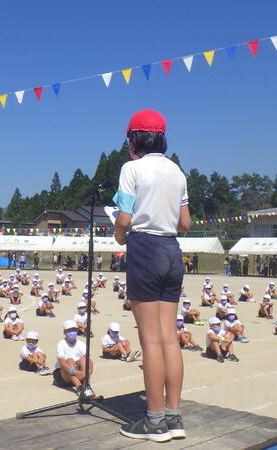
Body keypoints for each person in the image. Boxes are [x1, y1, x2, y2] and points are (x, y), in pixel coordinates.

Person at [113, 110, 189, 443]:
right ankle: (173, 416)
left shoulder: (132, 169)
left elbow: (125, 219)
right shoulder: (176, 171)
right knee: (169, 336)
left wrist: (118, 233)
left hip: (144, 248)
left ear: (135, 138)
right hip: (172, 250)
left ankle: (154, 420)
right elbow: (185, 223)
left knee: (150, 339)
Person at [53, 320, 93, 392]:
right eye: (69, 330)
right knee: (70, 360)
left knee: (84, 359)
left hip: (78, 373)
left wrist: (89, 372)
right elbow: (62, 363)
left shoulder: (81, 344)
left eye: (74, 330)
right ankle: (78, 386)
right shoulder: (61, 344)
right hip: (64, 375)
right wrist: (76, 372)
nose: (72, 332)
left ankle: (85, 384)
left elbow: (89, 360)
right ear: (65, 332)